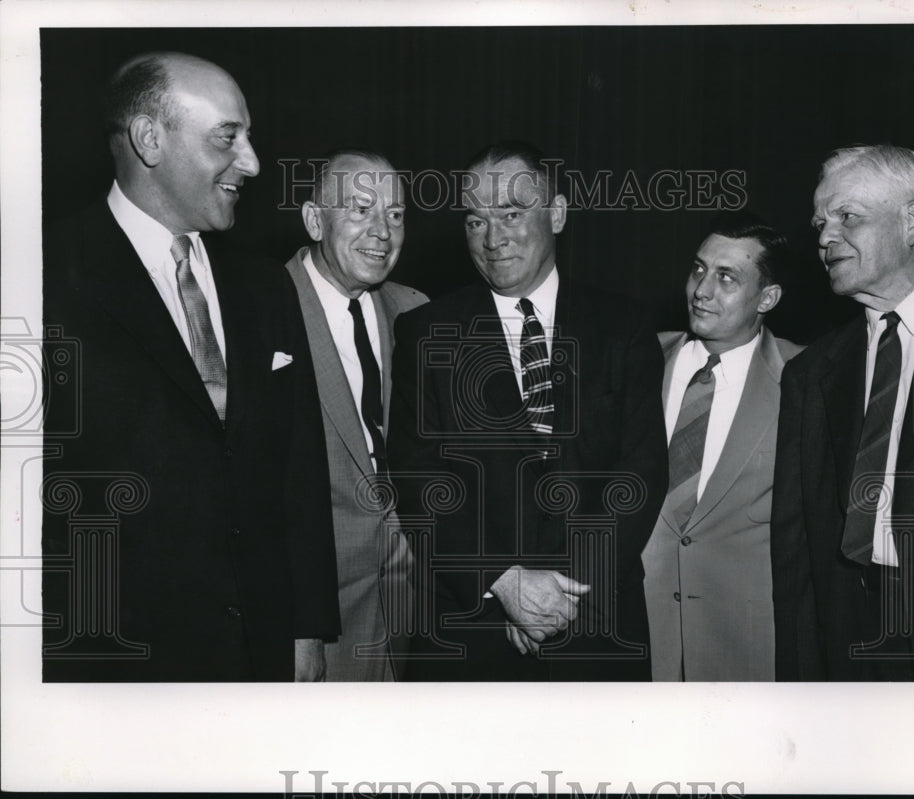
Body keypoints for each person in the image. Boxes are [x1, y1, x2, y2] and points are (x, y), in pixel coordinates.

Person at [42, 52, 340, 681]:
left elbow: (299, 470)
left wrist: (308, 627)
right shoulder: (41, 276)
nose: (253, 163)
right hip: (116, 664)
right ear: (150, 139)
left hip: (261, 650)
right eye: (228, 138)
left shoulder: (265, 285)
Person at [387, 142, 668, 680]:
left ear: (556, 214)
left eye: (512, 214)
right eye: (475, 221)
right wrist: (506, 581)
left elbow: (641, 473)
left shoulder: (624, 327)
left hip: (594, 620)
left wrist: (557, 595)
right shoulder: (425, 333)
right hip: (472, 627)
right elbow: (418, 478)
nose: (493, 240)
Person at [771, 144, 914, 681]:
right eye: (820, 221)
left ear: (911, 221)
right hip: (848, 639)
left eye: (847, 217)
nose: (823, 236)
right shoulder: (811, 372)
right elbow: (795, 552)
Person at [641, 213, 803, 681]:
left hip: (746, 645)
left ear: (767, 298)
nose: (701, 290)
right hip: (637, 633)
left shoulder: (807, 377)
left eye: (726, 277)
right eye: (698, 269)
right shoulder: (637, 357)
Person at [285, 149, 427, 680]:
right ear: (315, 219)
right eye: (360, 209)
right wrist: (300, 625)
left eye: (395, 214)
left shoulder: (416, 311)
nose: (382, 232)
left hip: (410, 607)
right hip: (316, 617)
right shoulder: (262, 310)